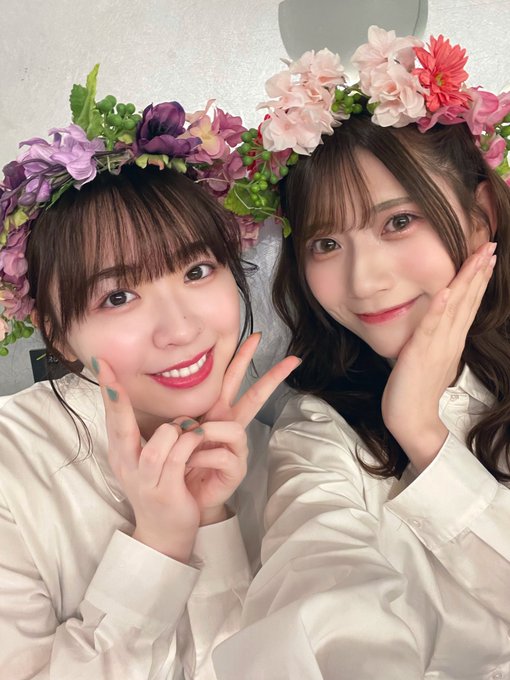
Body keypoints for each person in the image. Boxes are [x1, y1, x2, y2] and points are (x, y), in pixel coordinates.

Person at [214, 27, 510, 679]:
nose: (364, 281)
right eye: (326, 244)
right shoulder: (319, 435)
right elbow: (320, 602)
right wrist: (419, 430)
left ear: (481, 214)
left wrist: (426, 435)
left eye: (398, 222)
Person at [0, 67, 299, 679]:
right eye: (117, 297)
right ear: (57, 333)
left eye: (197, 271)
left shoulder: (283, 461)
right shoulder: (11, 468)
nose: (180, 329)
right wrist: (159, 544)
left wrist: (212, 521)